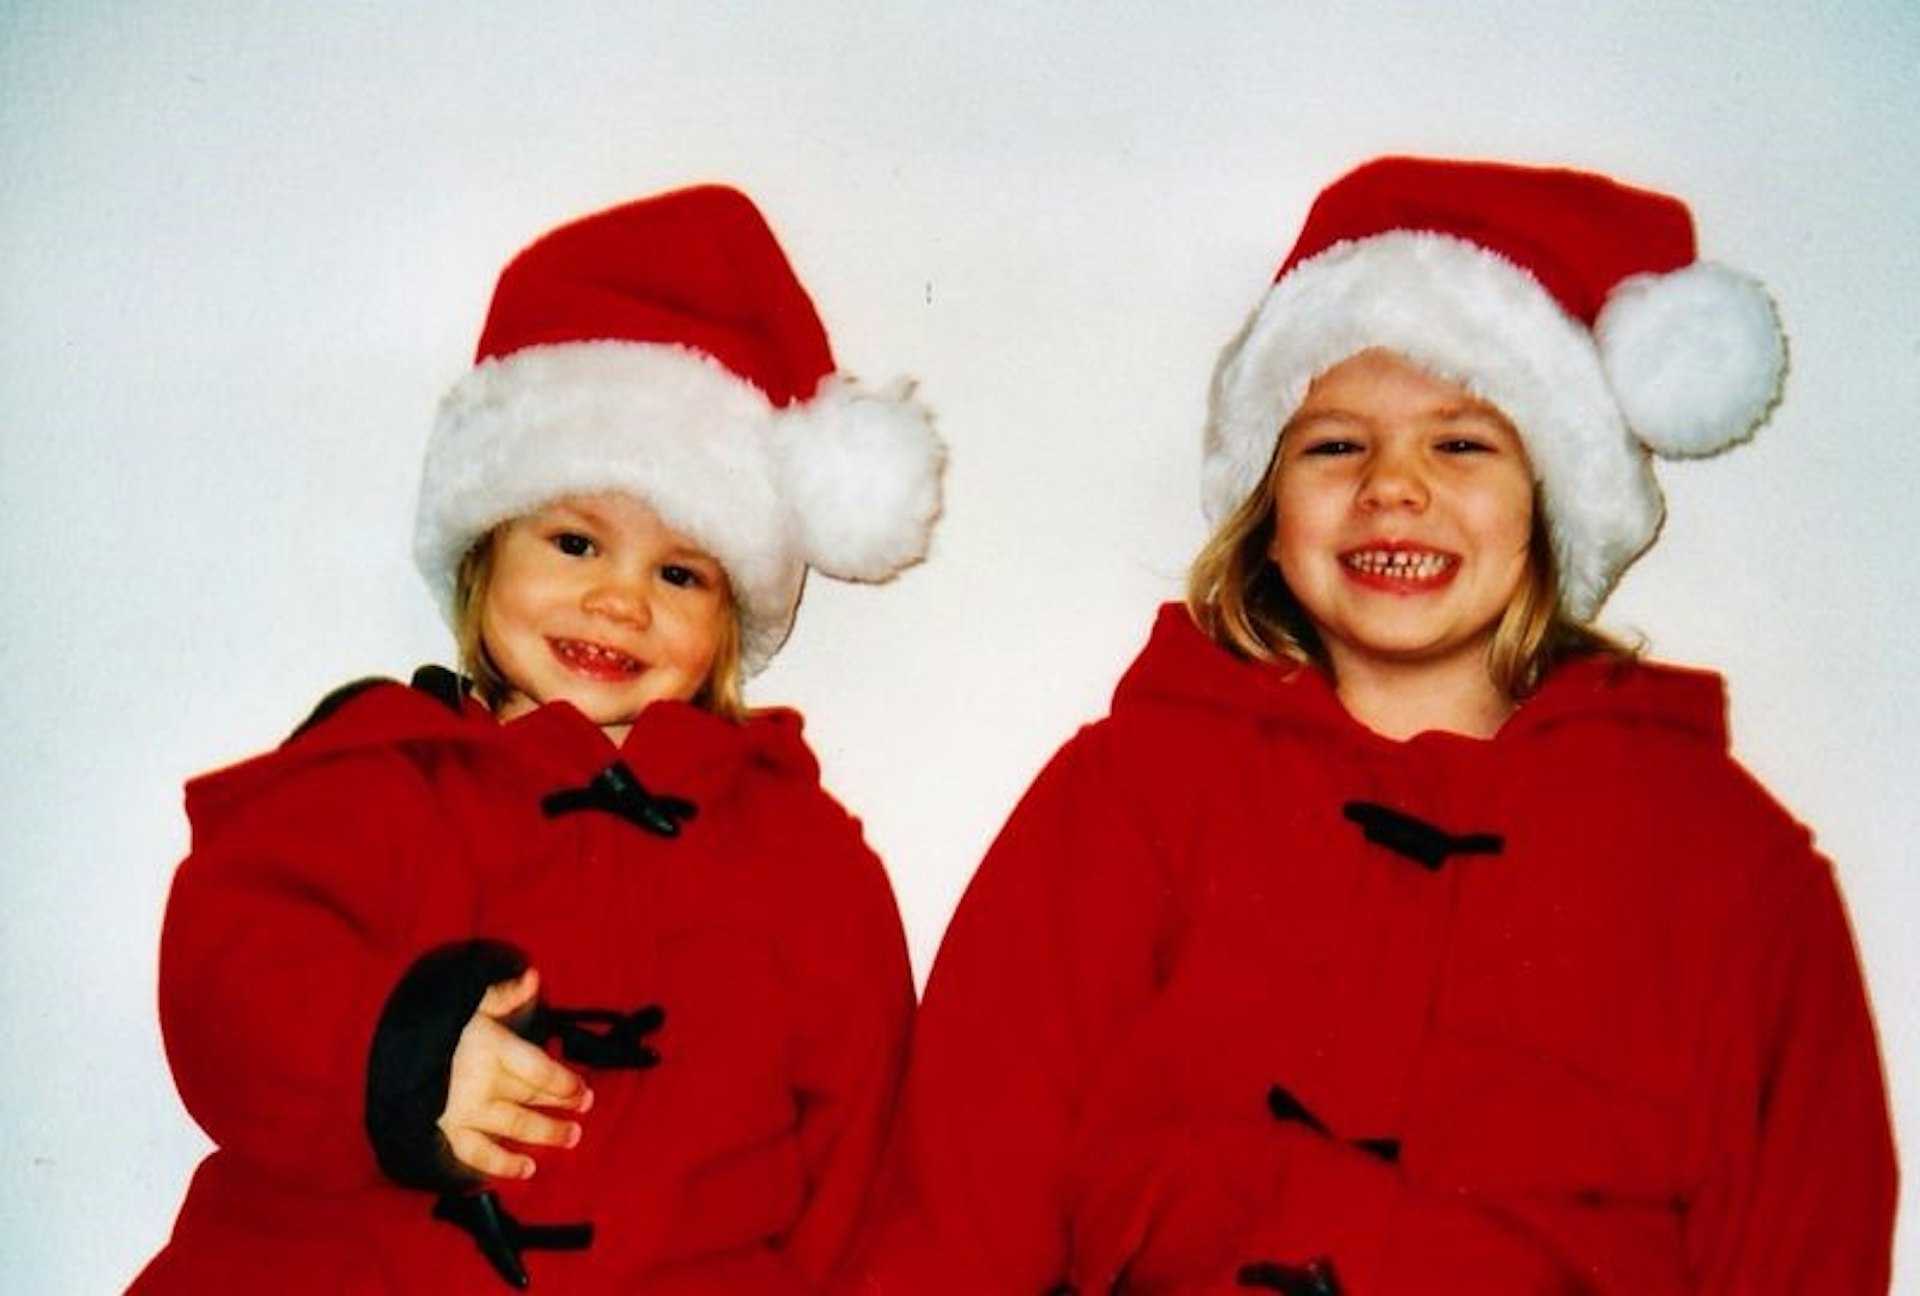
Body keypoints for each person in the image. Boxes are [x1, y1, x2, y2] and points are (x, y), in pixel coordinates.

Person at [852, 158, 1896, 1293]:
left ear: (1554, 499)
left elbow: (1804, 1235)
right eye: (1336, 444)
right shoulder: (1132, 793)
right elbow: (963, 1184)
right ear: (1267, 507)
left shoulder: (1723, 864)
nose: (1393, 485)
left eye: (1462, 443)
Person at [132, 184, 945, 1293]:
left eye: (679, 571)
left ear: (730, 621)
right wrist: (394, 1060)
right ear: (482, 552)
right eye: (574, 540)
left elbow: (865, 1160)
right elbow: (229, 965)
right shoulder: (379, 775)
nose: (619, 600)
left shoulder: (806, 862)